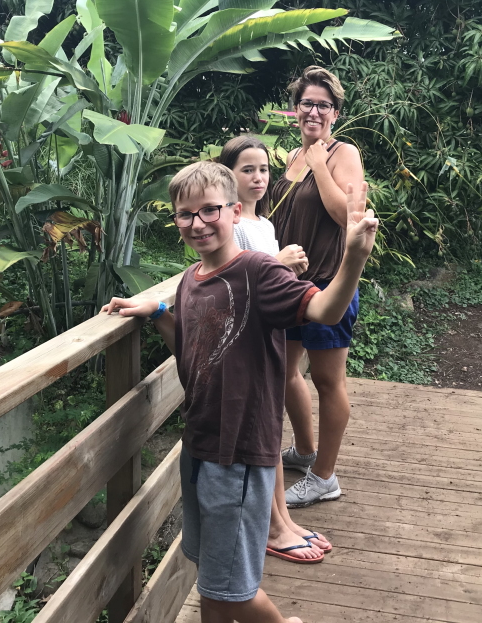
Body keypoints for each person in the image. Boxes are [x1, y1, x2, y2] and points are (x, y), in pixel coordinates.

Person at [102, 161, 378, 623]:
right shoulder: (192, 279)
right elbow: (191, 352)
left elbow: (327, 311)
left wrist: (354, 257)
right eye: (185, 215)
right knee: (212, 576)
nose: (198, 223)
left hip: (241, 452)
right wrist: (158, 312)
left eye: (210, 210)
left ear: (234, 211)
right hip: (201, 444)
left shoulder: (258, 272)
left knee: (230, 591)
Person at [219, 136, 331, 565]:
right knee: (259, 436)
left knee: (270, 432)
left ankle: (283, 518)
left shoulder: (263, 224)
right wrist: (279, 265)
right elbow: (232, 278)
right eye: (247, 169)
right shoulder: (230, 224)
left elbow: (269, 280)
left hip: (271, 340)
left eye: (264, 169)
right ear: (227, 173)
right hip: (245, 342)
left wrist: (289, 269)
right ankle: (272, 526)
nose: (258, 177)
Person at [269, 66, 366, 508]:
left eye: (322, 105)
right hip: (288, 284)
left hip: (327, 283)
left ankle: (325, 476)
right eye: (306, 103)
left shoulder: (343, 152)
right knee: (284, 371)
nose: (313, 111)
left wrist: (319, 163)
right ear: (296, 109)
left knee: (329, 380)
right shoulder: (291, 156)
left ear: (335, 113)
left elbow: (347, 216)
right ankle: (306, 450)